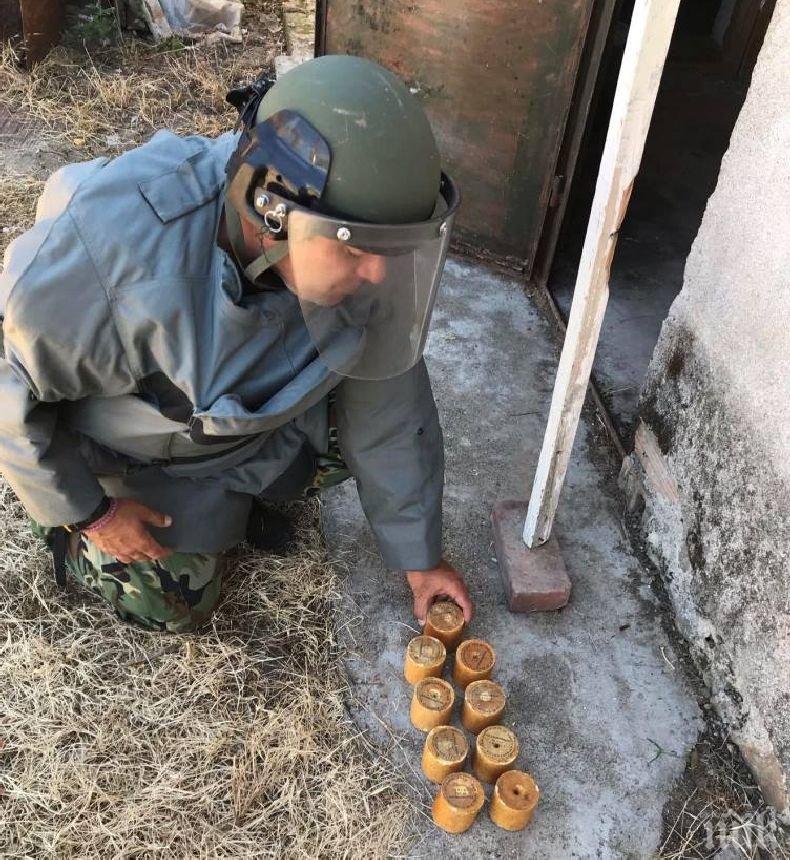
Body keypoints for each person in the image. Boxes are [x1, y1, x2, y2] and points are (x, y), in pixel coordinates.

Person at [0, 54, 473, 633]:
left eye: (394, 252)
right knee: (174, 601)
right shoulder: (114, 256)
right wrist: (90, 513)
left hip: (242, 427)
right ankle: (65, 529)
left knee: (355, 438)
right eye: (354, 251)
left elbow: (391, 412)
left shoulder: (355, 251)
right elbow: (9, 385)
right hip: (140, 449)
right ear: (267, 211)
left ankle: (237, 496)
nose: (377, 275)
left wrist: (420, 562)